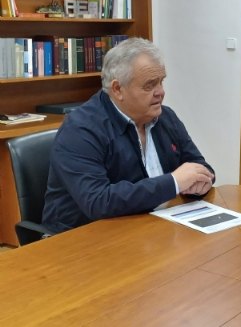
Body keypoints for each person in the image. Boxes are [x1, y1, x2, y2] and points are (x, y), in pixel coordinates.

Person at [42, 37, 215, 234]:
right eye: (150, 85)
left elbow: (199, 166)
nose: (160, 92)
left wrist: (201, 182)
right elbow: (98, 202)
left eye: (161, 82)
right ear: (118, 89)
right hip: (84, 238)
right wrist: (174, 182)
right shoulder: (81, 130)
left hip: (149, 229)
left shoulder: (165, 117)